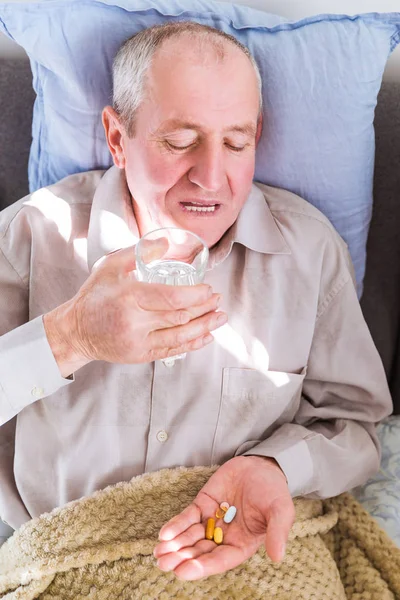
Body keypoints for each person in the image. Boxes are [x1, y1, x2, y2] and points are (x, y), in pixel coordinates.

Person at [0, 21, 392, 580]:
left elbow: (354, 424)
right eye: (180, 141)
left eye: (236, 143)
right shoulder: (30, 239)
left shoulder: (308, 253)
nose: (212, 177)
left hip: (256, 561)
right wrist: (71, 337)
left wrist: (273, 468)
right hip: (71, 562)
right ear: (118, 139)